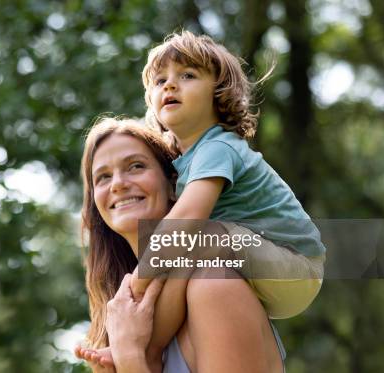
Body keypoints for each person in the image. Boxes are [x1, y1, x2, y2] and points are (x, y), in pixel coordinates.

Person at [111, 30, 323, 370]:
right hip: (265, 264)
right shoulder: (186, 160)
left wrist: (136, 283)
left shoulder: (217, 147)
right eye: (159, 80)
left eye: (187, 75)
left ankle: (147, 346)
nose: (170, 85)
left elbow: (187, 219)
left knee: (193, 237)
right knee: (184, 254)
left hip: (295, 265)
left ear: (219, 93)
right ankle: (146, 344)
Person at [75, 117, 285, 372]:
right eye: (103, 177)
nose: (118, 183)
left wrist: (130, 356)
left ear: (174, 185)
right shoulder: (123, 324)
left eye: (136, 166)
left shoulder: (214, 285)